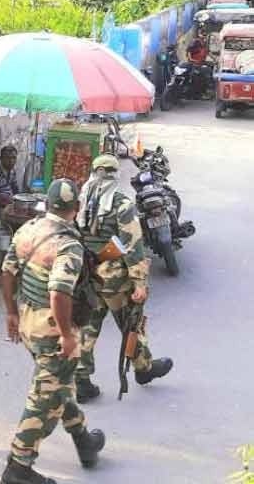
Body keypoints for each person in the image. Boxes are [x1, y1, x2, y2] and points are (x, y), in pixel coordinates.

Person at [0, 179, 106, 484]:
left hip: (28, 321)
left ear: (47, 204)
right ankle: (18, 467)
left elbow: (7, 272)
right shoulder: (68, 245)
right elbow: (60, 292)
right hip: (53, 330)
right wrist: (67, 335)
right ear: (77, 209)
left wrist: (10, 312)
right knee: (43, 397)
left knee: (56, 383)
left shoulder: (28, 230)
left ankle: (84, 441)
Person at [74, 154, 173, 403]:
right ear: (115, 174)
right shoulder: (121, 204)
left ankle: (81, 380)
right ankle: (143, 368)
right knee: (132, 326)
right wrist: (139, 283)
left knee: (87, 328)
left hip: (88, 278)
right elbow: (132, 245)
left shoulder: (81, 201)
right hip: (116, 283)